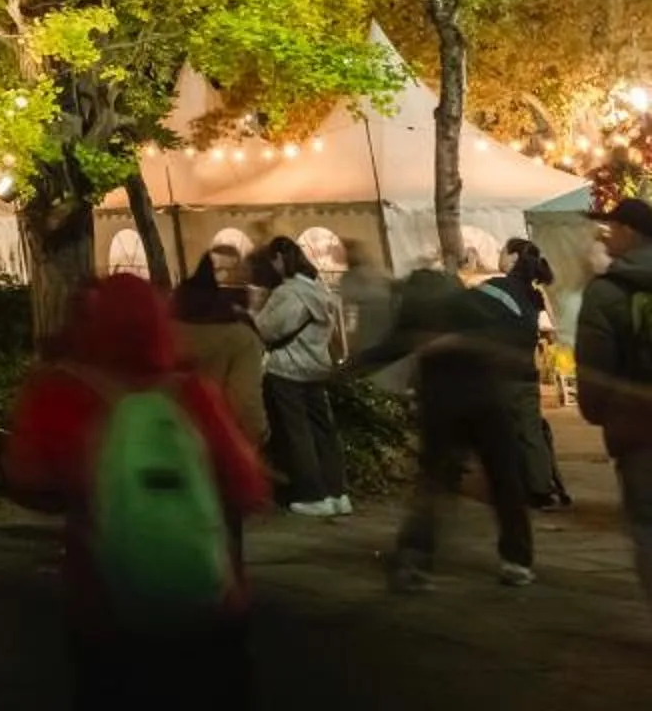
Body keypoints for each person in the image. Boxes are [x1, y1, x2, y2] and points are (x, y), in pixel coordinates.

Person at [3, 275, 267, 711]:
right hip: (208, 601)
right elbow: (248, 486)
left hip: (107, 603)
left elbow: (25, 478)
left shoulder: (57, 390)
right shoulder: (192, 393)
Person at [358, 267, 535, 592]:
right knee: (503, 479)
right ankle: (517, 560)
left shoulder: (425, 312)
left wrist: (343, 371)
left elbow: (388, 350)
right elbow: (515, 333)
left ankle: (416, 557)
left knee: (435, 483)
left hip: (448, 407)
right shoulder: (472, 304)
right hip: (485, 403)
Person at [573, 197, 652, 606]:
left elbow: (594, 365)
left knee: (648, 528)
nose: (608, 235)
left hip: (639, 430)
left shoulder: (607, 292)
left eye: (613, 229)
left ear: (631, 233)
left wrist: (601, 411)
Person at [248, 236, 348, 517]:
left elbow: (268, 329)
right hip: (316, 367)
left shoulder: (290, 293)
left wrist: (255, 312)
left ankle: (312, 495)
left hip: (288, 370)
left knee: (298, 434)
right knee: (324, 432)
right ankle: (337, 492)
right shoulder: (320, 290)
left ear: (280, 259)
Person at [483, 237, 566, 509]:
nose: (499, 257)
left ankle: (510, 488)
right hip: (525, 372)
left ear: (514, 258)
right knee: (531, 432)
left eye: (502, 253)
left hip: (498, 373)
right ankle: (542, 490)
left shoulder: (494, 288)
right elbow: (550, 328)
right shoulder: (535, 294)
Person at [171, 247, 269, 461]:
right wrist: (258, 434)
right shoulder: (240, 338)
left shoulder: (164, 331)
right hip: (220, 446)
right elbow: (244, 400)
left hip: (169, 439)